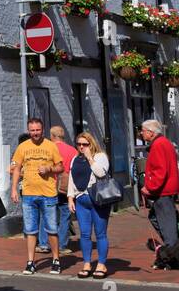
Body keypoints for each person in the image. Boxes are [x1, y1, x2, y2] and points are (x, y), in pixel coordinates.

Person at [9, 117, 65, 275]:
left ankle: (55, 260)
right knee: (30, 230)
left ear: (43, 130)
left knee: (52, 229)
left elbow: (60, 167)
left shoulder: (51, 146)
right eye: (32, 130)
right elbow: (16, 169)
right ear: (29, 131)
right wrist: (13, 189)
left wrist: (49, 169)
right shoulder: (23, 147)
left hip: (48, 194)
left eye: (38, 130)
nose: (35, 133)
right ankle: (30, 262)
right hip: (28, 194)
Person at [68, 132, 111, 279]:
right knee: (85, 234)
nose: (81, 147)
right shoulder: (75, 159)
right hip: (81, 200)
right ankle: (87, 263)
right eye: (79, 144)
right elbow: (71, 179)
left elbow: (100, 173)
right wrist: (70, 198)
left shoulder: (100, 156)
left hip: (98, 200)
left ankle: (101, 264)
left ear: (91, 144)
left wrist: (90, 158)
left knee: (100, 234)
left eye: (84, 144)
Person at [141, 120, 179, 262]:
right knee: (157, 217)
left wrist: (150, 187)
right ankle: (173, 246)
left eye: (143, 130)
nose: (141, 133)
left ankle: (173, 254)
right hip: (168, 189)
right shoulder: (164, 142)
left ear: (151, 133)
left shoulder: (158, 145)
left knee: (166, 224)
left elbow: (160, 171)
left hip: (163, 191)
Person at [48, 125, 78, 254]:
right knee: (65, 215)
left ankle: (45, 243)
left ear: (52, 136)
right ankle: (62, 245)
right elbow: (75, 169)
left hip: (50, 185)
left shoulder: (49, 149)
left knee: (48, 215)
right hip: (66, 187)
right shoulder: (73, 150)